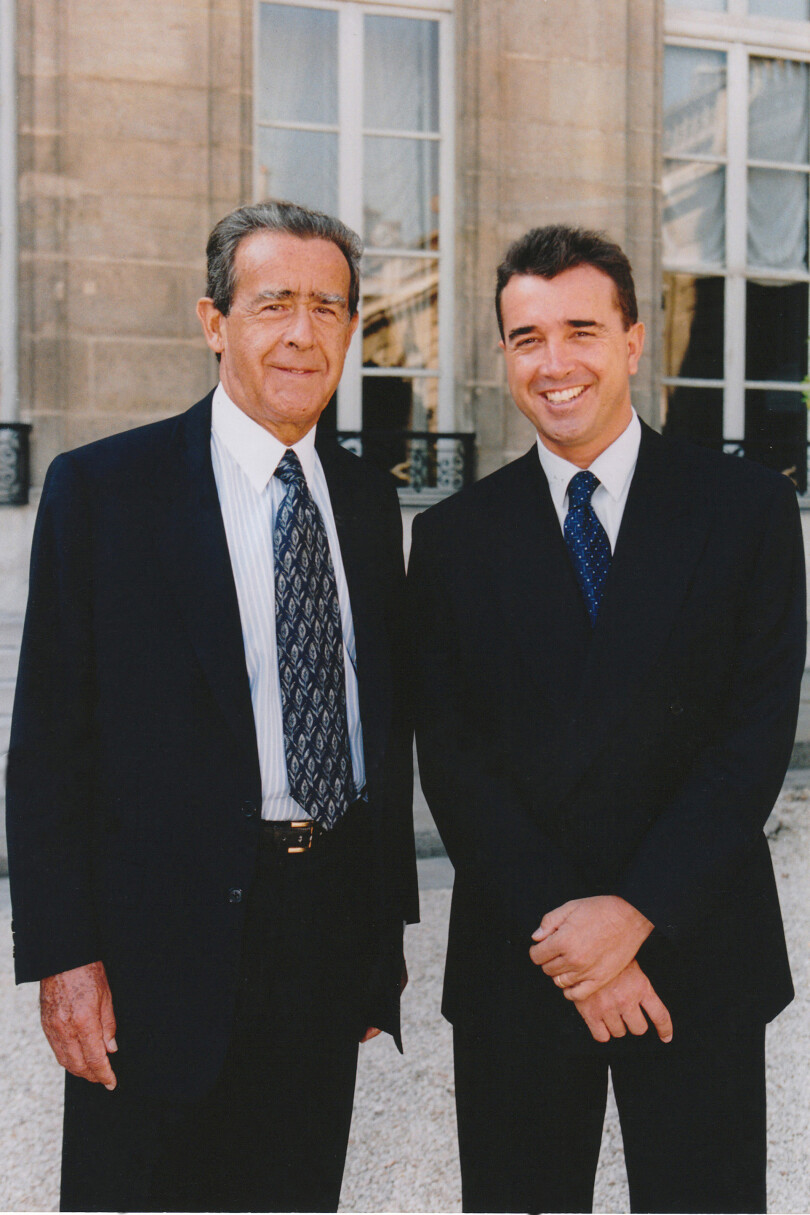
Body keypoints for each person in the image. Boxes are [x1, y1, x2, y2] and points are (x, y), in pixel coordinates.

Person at [6, 199, 418, 1213]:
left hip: (323, 935)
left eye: (328, 307)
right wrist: (63, 955)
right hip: (155, 953)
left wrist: (377, 946)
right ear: (212, 321)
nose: (302, 332)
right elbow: (50, 741)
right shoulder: (106, 491)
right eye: (273, 302)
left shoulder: (366, 504)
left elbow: (380, 726)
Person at [409, 224, 805, 1214]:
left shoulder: (746, 508)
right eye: (525, 337)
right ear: (503, 355)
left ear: (634, 339)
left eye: (580, 329)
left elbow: (752, 743)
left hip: (696, 944)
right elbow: (451, 756)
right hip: (524, 954)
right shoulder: (454, 537)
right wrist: (574, 944)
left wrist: (631, 915)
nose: (554, 364)